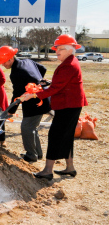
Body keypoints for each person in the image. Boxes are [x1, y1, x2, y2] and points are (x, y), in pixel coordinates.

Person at [23, 34, 87, 180]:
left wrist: (34, 95)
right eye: (56, 48)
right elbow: (62, 83)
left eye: (61, 49)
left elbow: (55, 89)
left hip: (68, 105)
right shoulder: (70, 62)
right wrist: (50, 82)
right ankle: (70, 167)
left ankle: (47, 170)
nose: (57, 51)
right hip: (71, 104)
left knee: (56, 136)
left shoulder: (68, 65)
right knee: (66, 136)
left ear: (71, 49)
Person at [0, 46, 51, 162]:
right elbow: (43, 68)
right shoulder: (27, 61)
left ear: (11, 58)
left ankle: (31, 155)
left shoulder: (16, 73)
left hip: (36, 103)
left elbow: (17, 94)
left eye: (4, 62)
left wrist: (10, 111)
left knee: (26, 127)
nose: (3, 65)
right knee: (32, 127)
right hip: (41, 98)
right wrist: (38, 81)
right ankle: (38, 153)